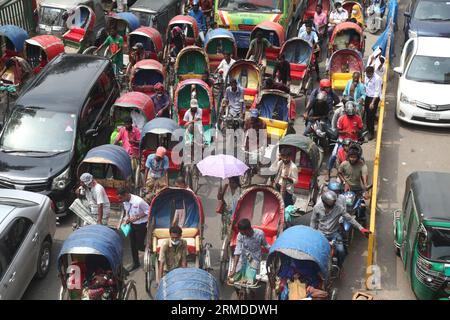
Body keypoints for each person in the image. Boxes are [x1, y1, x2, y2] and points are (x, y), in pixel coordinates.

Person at [310, 190, 370, 267]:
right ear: (324, 203)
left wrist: (361, 228)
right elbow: (313, 221)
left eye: (333, 205)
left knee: (341, 252)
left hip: (334, 234)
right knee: (314, 252)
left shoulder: (339, 208)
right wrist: (312, 233)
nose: (332, 207)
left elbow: (350, 219)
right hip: (321, 233)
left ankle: (339, 266)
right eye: (329, 206)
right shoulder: (317, 208)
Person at [228, 218, 270, 285]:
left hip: (255, 258)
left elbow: (266, 245)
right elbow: (238, 250)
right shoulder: (240, 235)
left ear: (247, 230)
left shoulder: (260, 234)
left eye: (242, 232)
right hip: (243, 258)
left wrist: (272, 250)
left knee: (251, 280)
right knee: (236, 276)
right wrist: (233, 269)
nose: (241, 234)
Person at [118, 188, 149, 272]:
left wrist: (138, 217)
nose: (120, 200)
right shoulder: (125, 202)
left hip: (141, 225)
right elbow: (127, 211)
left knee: (140, 245)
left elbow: (148, 211)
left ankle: (150, 253)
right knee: (133, 244)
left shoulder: (139, 201)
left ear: (126, 195)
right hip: (132, 224)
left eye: (121, 198)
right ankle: (136, 263)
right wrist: (126, 220)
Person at [364, 66, 382, 140]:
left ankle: (371, 133)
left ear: (372, 73)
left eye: (369, 75)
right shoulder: (366, 75)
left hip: (373, 98)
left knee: (371, 116)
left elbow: (377, 92)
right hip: (367, 96)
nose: (367, 76)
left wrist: (372, 103)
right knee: (367, 113)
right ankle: (367, 128)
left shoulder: (377, 79)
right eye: (367, 74)